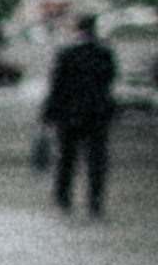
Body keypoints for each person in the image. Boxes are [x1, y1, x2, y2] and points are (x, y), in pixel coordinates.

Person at [41, 15, 118, 215]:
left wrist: (48, 113)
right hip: (97, 114)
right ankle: (95, 201)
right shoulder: (104, 53)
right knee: (96, 160)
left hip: (69, 114)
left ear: (77, 29)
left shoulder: (66, 54)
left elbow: (56, 85)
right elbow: (110, 80)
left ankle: (63, 198)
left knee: (67, 158)